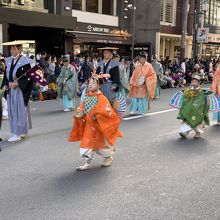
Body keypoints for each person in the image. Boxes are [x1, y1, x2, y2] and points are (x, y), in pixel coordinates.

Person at [68, 74, 122, 171]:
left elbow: (106, 111)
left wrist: (97, 115)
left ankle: (108, 157)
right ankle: (87, 162)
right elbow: (82, 106)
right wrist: (80, 111)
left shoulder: (101, 98)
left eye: (94, 83)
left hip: (99, 127)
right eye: (89, 83)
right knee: (86, 144)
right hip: (89, 126)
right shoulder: (87, 97)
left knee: (101, 146)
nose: (90, 85)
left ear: (99, 85)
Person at [1, 41, 33, 142]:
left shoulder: (25, 61)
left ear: (19, 49)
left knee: (19, 111)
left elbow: (29, 77)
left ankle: (17, 134)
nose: (11, 51)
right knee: (12, 110)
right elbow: (7, 75)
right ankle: (20, 131)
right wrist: (5, 85)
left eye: (13, 49)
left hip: (19, 90)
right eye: (10, 49)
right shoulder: (9, 60)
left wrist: (18, 83)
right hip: (11, 89)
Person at [169, 74, 220, 139]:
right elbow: (185, 98)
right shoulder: (188, 91)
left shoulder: (202, 92)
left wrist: (199, 106)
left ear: (199, 83)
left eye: (195, 81)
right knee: (186, 118)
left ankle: (198, 133)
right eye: (193, 81)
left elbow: (202, 100)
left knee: (198, 120)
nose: (194, 83)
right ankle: (185, 132)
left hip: (198, 109)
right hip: (189, 108)